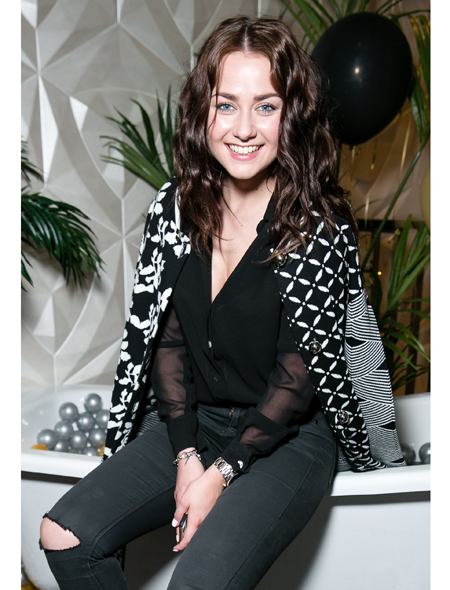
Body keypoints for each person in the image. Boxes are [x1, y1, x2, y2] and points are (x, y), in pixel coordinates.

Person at [39, 15, 406, 590]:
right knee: (64, 536)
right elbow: (166, 341)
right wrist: (187, 454)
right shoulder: (174, 208)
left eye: (266, 106)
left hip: (286, 436)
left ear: (292, 115)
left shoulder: (318, 222)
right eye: (226, 105)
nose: (244, 128)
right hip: (197, 422)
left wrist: (222, 472)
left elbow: (299, 374)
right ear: (202, 112)